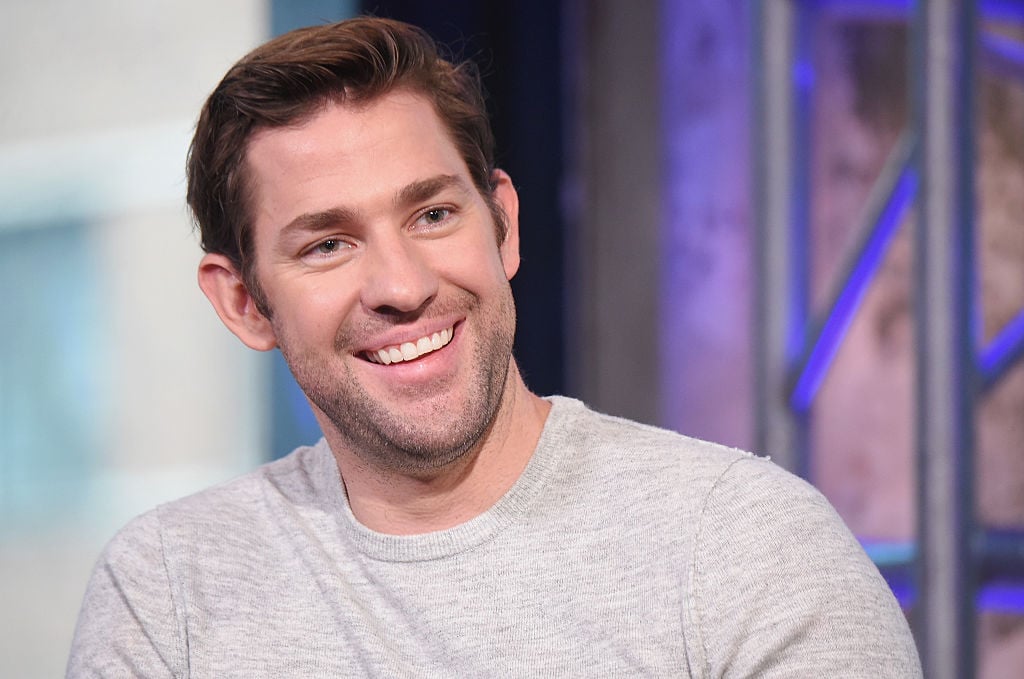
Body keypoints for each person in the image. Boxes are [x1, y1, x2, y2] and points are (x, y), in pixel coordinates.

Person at [67, 16, 921, 678]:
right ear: (245, 302)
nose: (400, 285)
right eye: (327, 243)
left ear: (502, 224)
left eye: (432, 214)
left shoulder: (745, 545)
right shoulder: (168, 590)